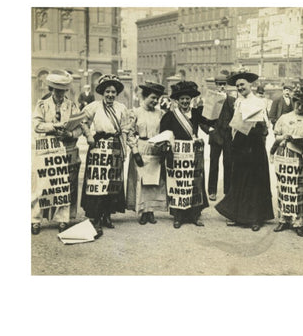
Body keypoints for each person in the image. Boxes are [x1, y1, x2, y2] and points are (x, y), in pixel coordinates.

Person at [215, 69, 274, 232]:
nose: (240, 87)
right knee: (239, 180)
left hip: (254, 145)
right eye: (238, 85)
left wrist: (256, 127)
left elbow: (265, 126)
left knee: (255, 182)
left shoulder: (259, 102)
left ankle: (256, 218)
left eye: (243, 84)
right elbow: (235, 123)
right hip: (240, 145)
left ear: (250, 85)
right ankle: (238, 215)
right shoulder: (238, 102)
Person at [32, 71, 83, 234]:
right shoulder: (42, 105)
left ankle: (63, 219)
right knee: (42, 185)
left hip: (67, 148)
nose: (60, 94)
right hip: (47, 148)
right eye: (56, 90)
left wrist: (69, 134)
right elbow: (36, 125)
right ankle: (35, 219)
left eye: (62, 91)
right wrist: (54, 126)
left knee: (64, 185)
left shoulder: (72, 105)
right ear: (51, 89)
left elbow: (80, 127)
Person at [80, 74, 130, 238]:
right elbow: (82, 121)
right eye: (107, 92)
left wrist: (124, 149)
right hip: (98, 147)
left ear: (116, 94)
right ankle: (96, 216)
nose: (110, 95)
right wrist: (88, 135)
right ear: (102, 92)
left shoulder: (121, 108)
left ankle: (107, 215)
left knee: (112, 183)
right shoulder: (94, 106)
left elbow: (125, 129)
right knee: (97, 182)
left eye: (113, 92)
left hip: (114, 146)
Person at [160, 81, 211, 228]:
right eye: (182, 99)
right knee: (178, 184)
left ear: (191, 100)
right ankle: (178, 216)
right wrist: (168, 147)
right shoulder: (170, 115)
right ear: (177, 100)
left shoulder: (196, 113)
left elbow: (209, 121)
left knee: (194, 183)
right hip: (177, 155)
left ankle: (195, 215)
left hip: (193, 154)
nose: (185, 101)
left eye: (187, 98)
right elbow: (164, 134)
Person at [272, 87, 303, 237]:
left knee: (299, 188)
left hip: (300, 158)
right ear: (293, 102)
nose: (300, 107)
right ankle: (284, 218)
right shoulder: (284, 118)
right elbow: (276, 135)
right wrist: (284, 137)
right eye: (298, 103)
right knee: (285, 187)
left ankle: (298, 221)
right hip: (285, 156)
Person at [126, 81, 167, 224]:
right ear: (145, 97)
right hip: (141, 147)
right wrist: (135, 151)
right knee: (142, 181)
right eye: (152, 98)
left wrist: (163, 150)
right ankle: (143, 211)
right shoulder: (135, 112)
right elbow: (130, 133)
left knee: (154, 182)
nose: (155, 101)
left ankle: (151, 211)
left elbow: (165, 133)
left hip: (155, 148)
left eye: (157, 99)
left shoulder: (161, 113)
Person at [205, 71, 235, 201]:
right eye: (219, 84)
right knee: (214, 164)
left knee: (228, 163)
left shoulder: (232, 100)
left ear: (227, 85)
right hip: (215, 136)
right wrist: (210, 130)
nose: (222, 87)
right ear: (216, 85)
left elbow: (236, 118)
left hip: (228, 137)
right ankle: (212, 191)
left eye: (224, 84)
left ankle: (227, 190)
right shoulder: (210, 100)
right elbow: (203, 120)